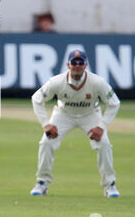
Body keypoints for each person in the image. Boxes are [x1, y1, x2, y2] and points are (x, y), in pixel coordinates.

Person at [30, 50, 121, 198]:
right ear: (68, 65)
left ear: (85, 65)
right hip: (63, 113)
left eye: (80, 62)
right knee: (46, 142)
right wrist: (46, 124)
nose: (77, 65)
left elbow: (114, 103)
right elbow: (36, 99)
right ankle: (42, 183)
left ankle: (109, 185)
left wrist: (101, 126)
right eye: (74, 62)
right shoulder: (57, 81)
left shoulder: (97, 82)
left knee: (104, 143)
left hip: (90, 113)